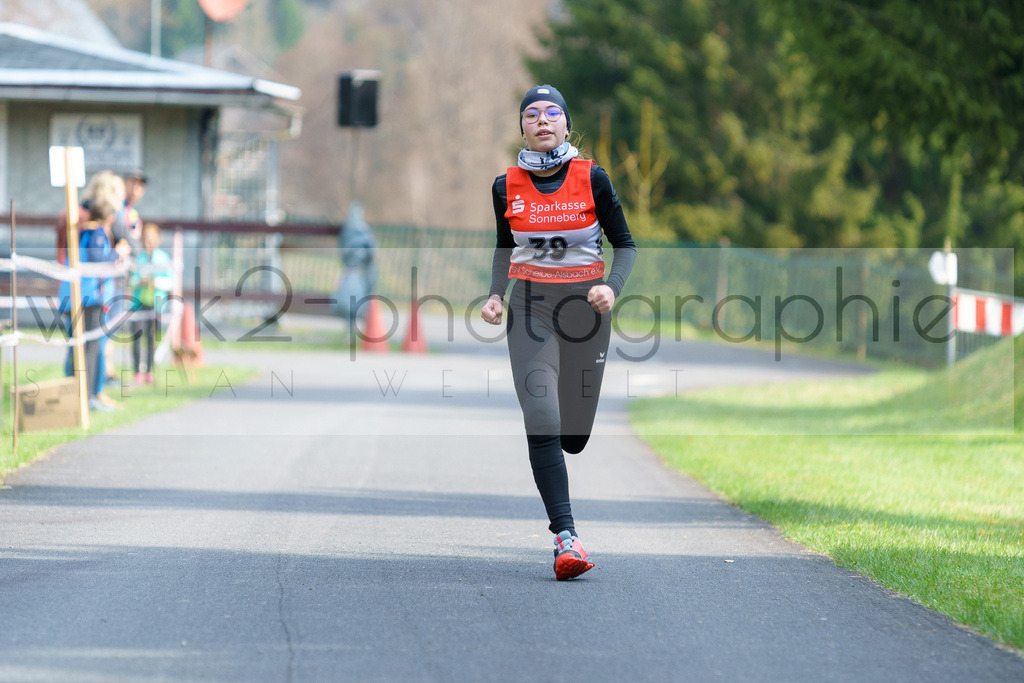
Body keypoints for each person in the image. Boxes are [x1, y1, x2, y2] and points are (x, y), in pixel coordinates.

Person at [480, 85, 637, 580]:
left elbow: (626, 244)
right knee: (542, 415)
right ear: (521, 127)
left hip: (586, 312)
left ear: (567, 125)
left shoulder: (593, 178)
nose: (542, 119)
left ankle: (567, 468)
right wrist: (495, 293)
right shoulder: (506, 185)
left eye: (552, 113)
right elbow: (505, 246)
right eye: (531, 113)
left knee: (573, 435)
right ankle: (565, 537)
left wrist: (611, 288)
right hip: (530, 308)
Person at [58, 198, 131, 412]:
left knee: (78, 347)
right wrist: (119, 253)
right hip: (89, 299)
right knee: (90, 348)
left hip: (75, 297)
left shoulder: (81, 232)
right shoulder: (97, 233)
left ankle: (76, 395)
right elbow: (98, 258)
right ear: (109, 218)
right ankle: (88, 396)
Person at [128, 222, 173, 384]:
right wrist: (139, 280)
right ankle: (136, 372)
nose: (148, 244)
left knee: (151, 338)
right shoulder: (138, 259)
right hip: (138, 304)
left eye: (151, 240)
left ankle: (149, 371)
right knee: (136, 339)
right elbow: (131, 280)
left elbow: (170, 282)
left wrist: (157, 282)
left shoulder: (163, 259)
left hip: (156, 304)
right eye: (146, 240)